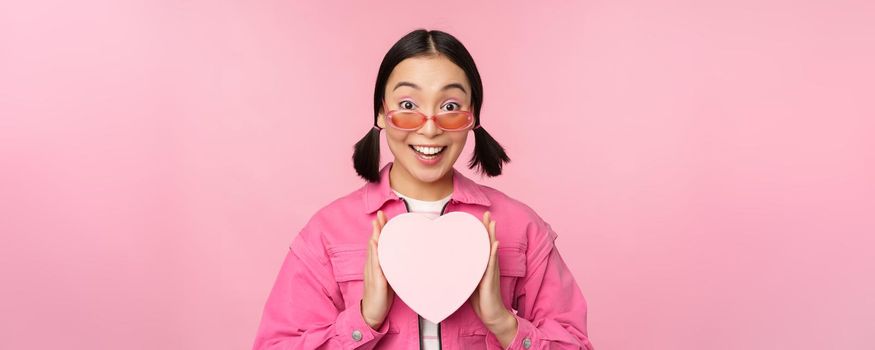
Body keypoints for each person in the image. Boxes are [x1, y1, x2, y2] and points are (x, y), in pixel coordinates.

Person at [252, 28, 595, 350]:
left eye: (449, 107)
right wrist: (364, 319)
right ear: (381, 115)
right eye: (407, 106)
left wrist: (503, 323)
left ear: (472, 116)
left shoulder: (521, 228)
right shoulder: (326, 233)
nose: (429, 129)